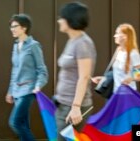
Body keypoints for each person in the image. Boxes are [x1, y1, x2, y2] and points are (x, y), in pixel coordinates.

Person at [53, 2, 96, 140]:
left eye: (61, 17)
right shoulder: (72, 41)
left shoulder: (83, 43)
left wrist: (76, 107)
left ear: (70, 20)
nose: (59, 20)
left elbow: (84, 77)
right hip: (63, 104)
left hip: (73, 107)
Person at [5, 14, 48, 141]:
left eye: (14, 26)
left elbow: (42, 70)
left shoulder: (34, 45)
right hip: (17, 91)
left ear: (24, 28)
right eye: (10, 26)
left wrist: (38, 85)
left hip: (29, 90)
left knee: (15, 122)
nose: (12, 29)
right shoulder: (16, 45)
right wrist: (10, 91)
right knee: (24, 125)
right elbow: (15, 71)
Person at [92, 23, 140, 93]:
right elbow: (117, 73)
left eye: (117, 33)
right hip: (115, 93)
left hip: (127, 93)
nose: (114, 36)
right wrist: (103, 79)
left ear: (125, 36)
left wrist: (131, 78)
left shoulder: (133, 53)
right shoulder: (118, 51)